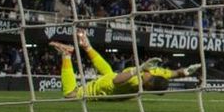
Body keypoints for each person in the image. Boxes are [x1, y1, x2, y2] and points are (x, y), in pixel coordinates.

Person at [51, 30, 199, 99]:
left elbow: (175, 73)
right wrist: (138, 69)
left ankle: (87, 46)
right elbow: (116, 81)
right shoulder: (138, 82)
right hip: (107, 88)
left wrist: (186, 71)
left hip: (113, 79)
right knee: (70, 95)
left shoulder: (157, 72)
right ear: (149, 87)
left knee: (108, 71)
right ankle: (67, 55)